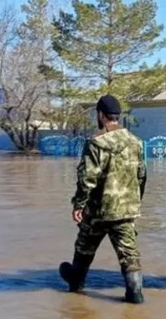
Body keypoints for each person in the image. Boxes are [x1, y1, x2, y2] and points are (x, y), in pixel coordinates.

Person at [59, 94, 148, 304]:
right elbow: (142, 176)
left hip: (98, 210)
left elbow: (87, 178)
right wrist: (135, 202)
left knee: (84, 247)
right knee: (129, 254)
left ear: (100, 115)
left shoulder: (95, 142)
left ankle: (76, 283)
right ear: (118, 116)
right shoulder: (135, 142)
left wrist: (78, 204)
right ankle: (135, 293)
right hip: (126, 209)